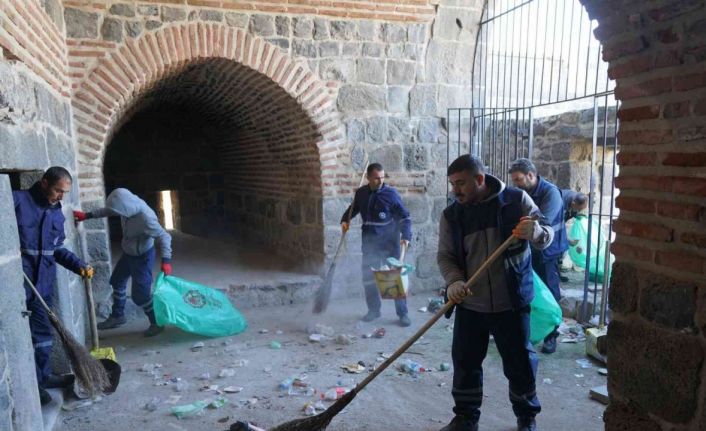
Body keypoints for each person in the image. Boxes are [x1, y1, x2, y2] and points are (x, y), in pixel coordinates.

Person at [438, 155, 553, 431]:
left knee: (520, 364)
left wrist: (535, 231)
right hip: (470, 304)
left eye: (461, 183)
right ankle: (466, 418)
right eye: (452, 184)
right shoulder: (452, 215)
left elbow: (547, 236)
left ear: (479, 179)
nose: (455, 190)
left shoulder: (516, 201)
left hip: (511, 302)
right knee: (465, 364)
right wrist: (454, 281)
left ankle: (526, 416)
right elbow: (446, 256)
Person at [13, 167, 94, 405]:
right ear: (44, 183)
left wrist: (79, 265)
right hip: (19, 284)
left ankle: (43, 377)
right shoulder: (17, 201)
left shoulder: (56, 214)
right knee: (20, 337)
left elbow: (56, 249)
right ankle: (32, 387)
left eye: (65, 192)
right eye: (58, 190)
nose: (61, 196)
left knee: (42, 336)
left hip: (42, 285)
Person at [73, 188, 172, 337]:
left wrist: (166, 260)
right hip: (129, 253)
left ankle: (156, 322)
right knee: (117, 281)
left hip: (142, 256)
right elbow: (109, 210)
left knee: (141, 296)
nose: (117, 213)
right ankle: (118, 316)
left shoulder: (146, 218)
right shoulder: (126, 206)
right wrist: (87, 215)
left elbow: (164, 236)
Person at [340, 163, 413, 327]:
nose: (380, 181)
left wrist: (406, 235)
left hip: (389, 244)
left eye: (382, 177)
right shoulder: (361, 193)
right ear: (368, 178)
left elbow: (405, 217)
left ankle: (402, 313)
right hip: (369, 243)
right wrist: (345, 220)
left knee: (395, 278)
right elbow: (353, 209)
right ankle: (373, 310)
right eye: (376, 178)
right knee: (368, 278)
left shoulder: (391, 194)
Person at [508, 158, 568, 354]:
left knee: (550, 291)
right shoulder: (522, 193)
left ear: (531, 175)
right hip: (529, 249)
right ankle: (531, 331)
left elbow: (543, 222)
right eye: (514, 181)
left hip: (548, 251)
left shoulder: (551, 193)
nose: (516, 184)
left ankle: (552, 336)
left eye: (518, 179)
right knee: (529, 291)